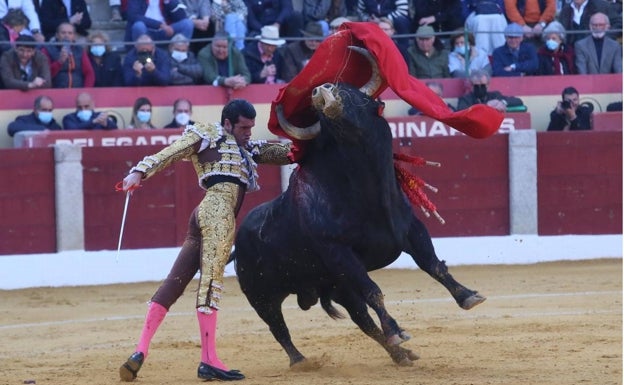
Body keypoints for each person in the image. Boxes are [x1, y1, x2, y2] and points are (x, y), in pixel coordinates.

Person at [118, 98, 292, 382]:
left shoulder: (244, 146)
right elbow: (173, 151)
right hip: (217, 213)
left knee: (174, 283)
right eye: (244, 127)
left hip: (202, 215)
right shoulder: (207, 135)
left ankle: (140, 352)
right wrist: (140, 171)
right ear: (227, 123)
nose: (249, 132)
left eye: (251, 127)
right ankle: (208, 360)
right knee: (210, 283)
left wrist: (309, 148)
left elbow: (279, 152)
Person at [41, 22, 95, 88]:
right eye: (63, 33)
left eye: (70, 33)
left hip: (77, 92)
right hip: (55, 91)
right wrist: (59, 62)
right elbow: (45, 75)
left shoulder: (79, 50)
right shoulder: (47, 50)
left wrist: (86, 91)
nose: (66, 35)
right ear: (57, 35)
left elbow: (89, 73)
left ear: (74, 36)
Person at [124, 0, 194, 43]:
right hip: (146, 31)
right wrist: (159, 25)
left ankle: (179, 55)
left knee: (187, 24)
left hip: (166, 31)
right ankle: (143, 57)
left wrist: (171, 2)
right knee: (139, 26)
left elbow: (181, 17)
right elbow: (133, 16)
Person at [457, 69, 524, 111]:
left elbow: (518, 101)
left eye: (483, 85)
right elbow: (461, 111)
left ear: (488, 85)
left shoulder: (495, 95)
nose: (480, 88)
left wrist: (503, 102)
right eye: (476, 86)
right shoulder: (465, 99)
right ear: (471, 86)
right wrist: (487, 106)